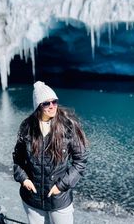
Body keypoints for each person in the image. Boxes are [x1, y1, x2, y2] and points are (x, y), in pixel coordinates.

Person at [13, 81, 88, 224]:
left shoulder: (68, 126)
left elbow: (80, 161)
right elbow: (17, 158)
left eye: (54, 101)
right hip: (32, 199)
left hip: (59, 200)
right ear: (38, 107)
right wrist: (23, 179)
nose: (52, 106)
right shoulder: (27, 127)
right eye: (46, 103)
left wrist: (61, 186)